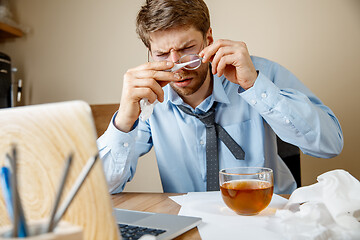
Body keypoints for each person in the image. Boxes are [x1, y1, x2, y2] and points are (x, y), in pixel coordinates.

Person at [97, 0, 343, 194]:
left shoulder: (261, 73)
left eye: (186, 49)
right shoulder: (150, 100)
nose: (177, 67)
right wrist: (125, 121)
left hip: (267, 219)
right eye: (161, 54)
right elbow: (103, 188)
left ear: (209, 39)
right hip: (191, 227)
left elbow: (330, 146)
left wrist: (256, 87)